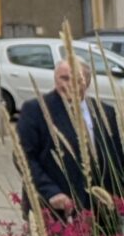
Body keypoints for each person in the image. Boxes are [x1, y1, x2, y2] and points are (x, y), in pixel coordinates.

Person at [18, 60, 124, 218]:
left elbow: (116, 158)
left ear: (87, 82)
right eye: (64, 78)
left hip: (100, 210)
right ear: (55, 79)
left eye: (77, 80)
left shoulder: (105, 111)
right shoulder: (35, 109)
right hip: (56, 208)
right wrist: (51, 192)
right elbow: (24, 157)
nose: (70, 85)